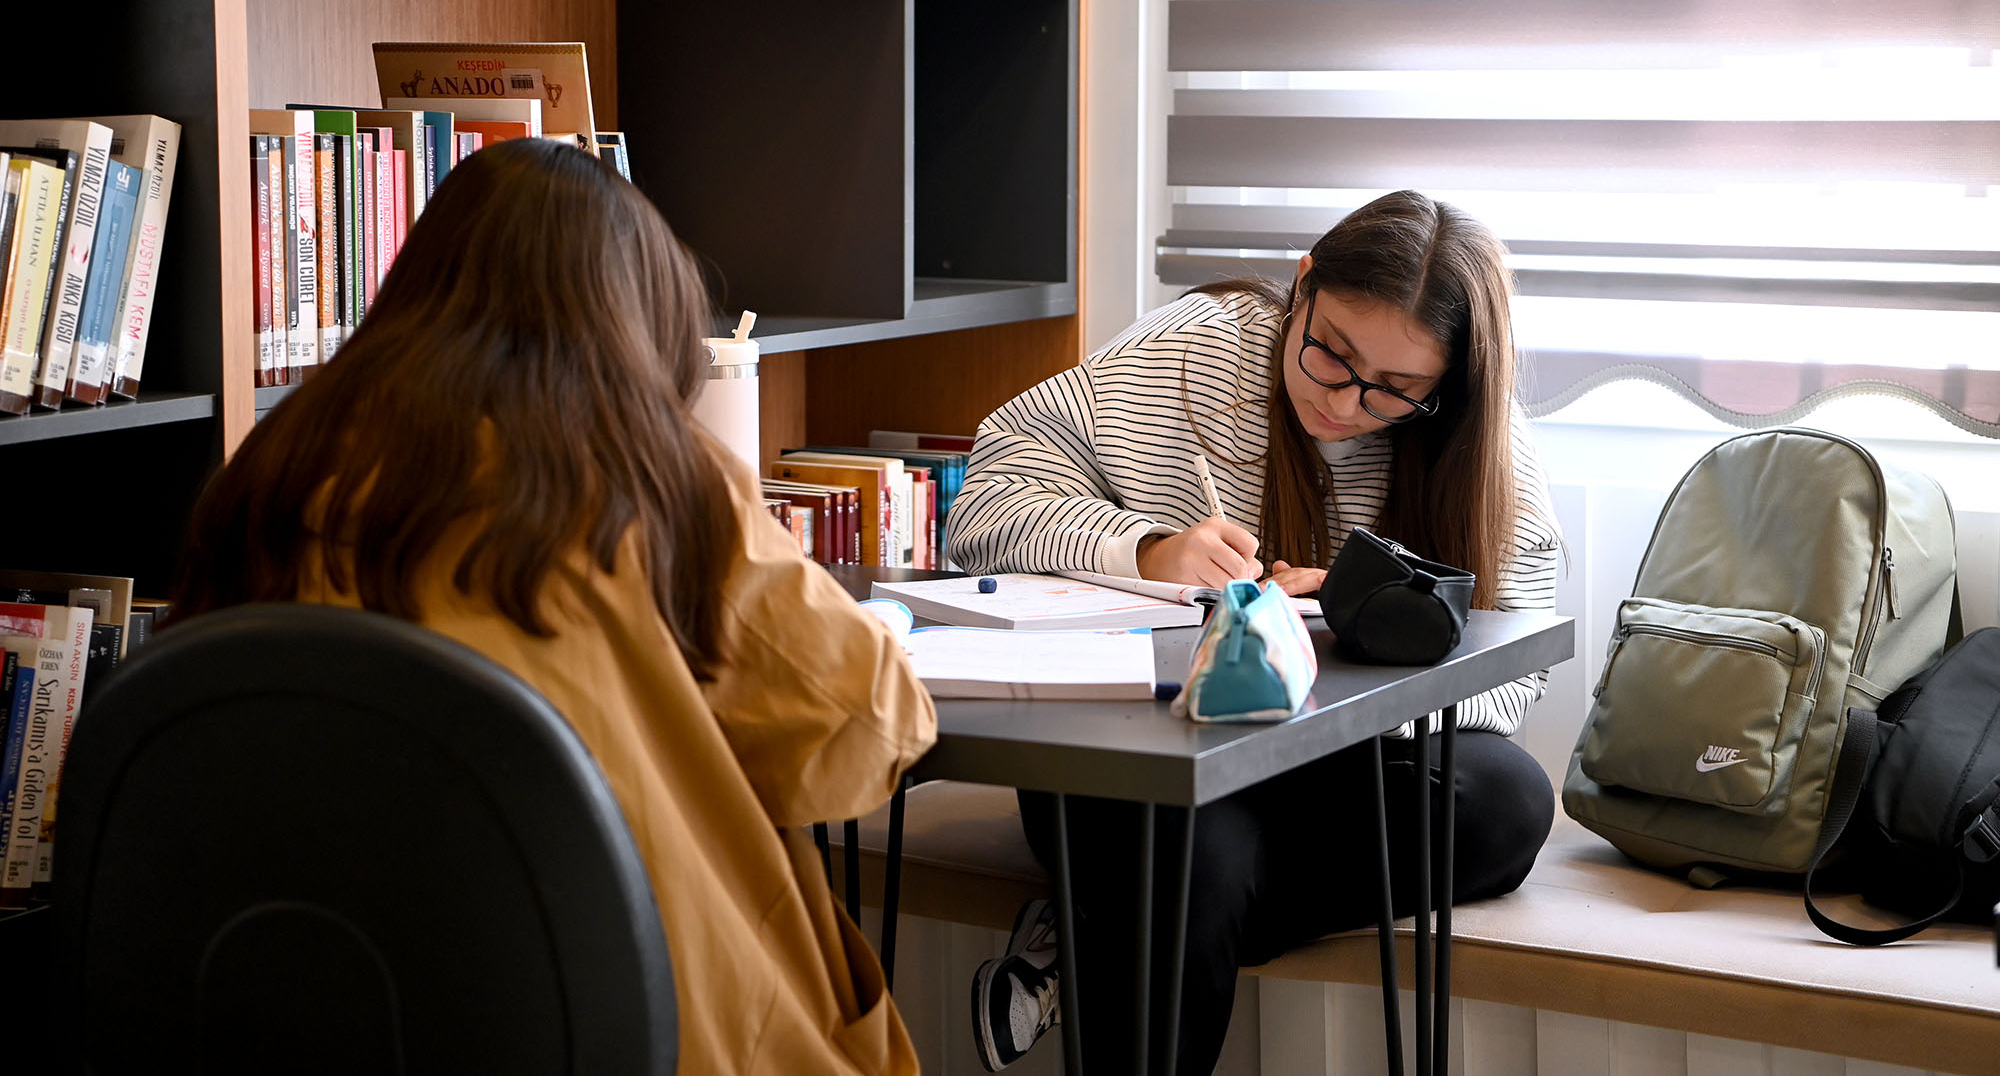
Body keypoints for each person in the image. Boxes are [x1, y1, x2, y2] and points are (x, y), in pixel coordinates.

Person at [172, 139, 937, 1076]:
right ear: (630, 319)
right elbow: (863, 733)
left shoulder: (271, 473)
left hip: (340, 1022)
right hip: (646, 1030)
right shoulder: (651, 478)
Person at [946, 190, 1560, 1074]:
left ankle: (1085, 932)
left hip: (1331, 768)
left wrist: (1350, 647)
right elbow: (985, 507)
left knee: (1507, 800)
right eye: (1330, 355)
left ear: (1448, 381)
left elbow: (1509, 671)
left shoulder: (1478, 433)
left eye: (1395, 389)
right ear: (1303, 282)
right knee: (1193, 850)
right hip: (1149, 743)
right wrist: (1148, 550)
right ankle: (1133, 907)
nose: (1346, 403)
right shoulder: (1198, 348)